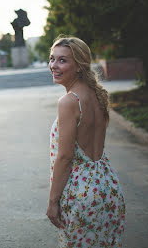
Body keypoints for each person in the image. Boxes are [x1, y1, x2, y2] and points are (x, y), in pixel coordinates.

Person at [46, 36, 125, 247]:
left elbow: (65, 157)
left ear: (79, 66)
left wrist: (53, 201)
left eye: (62, 60)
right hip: (108, 188)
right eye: (52, 59)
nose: (54, 65)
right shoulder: (97, 94)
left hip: (81, 194)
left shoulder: (69, 101)